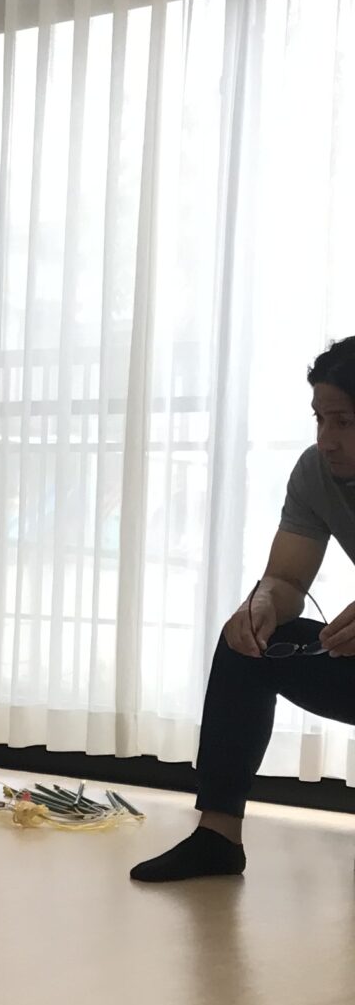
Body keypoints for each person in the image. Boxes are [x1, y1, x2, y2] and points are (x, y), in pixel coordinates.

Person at [134, 336, 355, 882]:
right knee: (248, 645)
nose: (326, 440)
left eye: (344, 422)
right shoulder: (315, 474)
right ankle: (217, 837)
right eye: (319, 420)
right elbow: (287, 579)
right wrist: (261, 602)